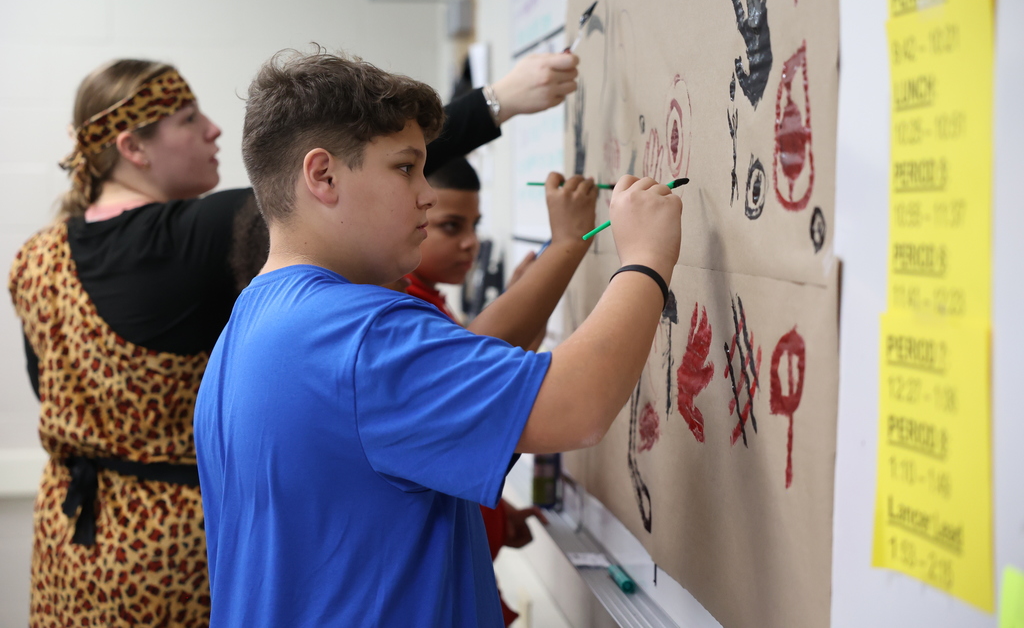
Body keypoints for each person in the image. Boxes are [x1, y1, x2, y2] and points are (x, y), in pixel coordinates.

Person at [8, 50, 579, 627]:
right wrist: (495, 103)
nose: (212, 129)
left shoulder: (35, 258)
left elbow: (43, 390)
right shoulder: (191, 236)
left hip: (68, 548)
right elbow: (352, 157)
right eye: (187, 118)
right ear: (133, 147)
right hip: (166, 556)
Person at [193, 48, 682, 627]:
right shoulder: (358, 333)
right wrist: (647, 258)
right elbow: (578, 408)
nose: (426, 193)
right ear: (322, 175)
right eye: (405, 168)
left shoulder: (250, 320)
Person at [408, 156, 597, 625]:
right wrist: (574, 245)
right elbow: (476, 379)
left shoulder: (430, 300)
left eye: (474, 225)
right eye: (450, 226)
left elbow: (489, 373)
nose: (471, 242)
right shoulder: (405, 306)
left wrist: (494, 511)